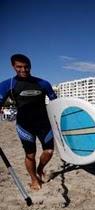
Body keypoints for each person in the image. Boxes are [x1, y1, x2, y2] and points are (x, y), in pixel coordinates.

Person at [0, 54, 57, 190]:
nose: (23, 69)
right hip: (25, 125)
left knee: (49, 151)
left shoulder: (43, 83)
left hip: (44, 124)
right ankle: (34, 179)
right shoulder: (8, 85)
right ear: (13, 67)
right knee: (30, 155)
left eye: (26, 66)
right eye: (19, 67)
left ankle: (40, 168)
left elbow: (56, 104)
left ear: (30, 66)